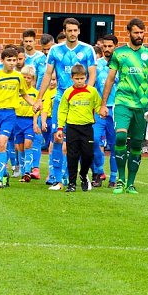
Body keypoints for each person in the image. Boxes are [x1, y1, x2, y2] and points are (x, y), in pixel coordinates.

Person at [98, 18, 148, 195]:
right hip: (122, 102)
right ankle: (120, 179)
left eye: (142, 33)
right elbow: (110, 79)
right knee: (120, 138)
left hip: (142, 105)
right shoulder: (119, 53)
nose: (139, 36)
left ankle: (131, 183)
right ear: (129, 33)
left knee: (136, 143)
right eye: (136, 33)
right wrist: (104, 104)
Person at [35, 18, 97, 187]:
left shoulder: (87, 50)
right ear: (65, 31)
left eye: (75, 30)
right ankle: (56, 178)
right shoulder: (55, 50)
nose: (72, 33)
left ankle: (83, 175)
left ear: (79, 31)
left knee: (81, 143)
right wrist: (39, 97)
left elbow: (92, 74)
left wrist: (86, 95)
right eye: (69, 30)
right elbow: (48, 75)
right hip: (61, 99)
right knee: (57, 138)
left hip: (81, 104)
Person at [0, 47, 35, 188]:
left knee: (3, 143)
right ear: (2, 60)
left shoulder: (18, 77)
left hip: (10, 114)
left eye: (14, 60)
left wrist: (34, 104)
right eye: (9, 60)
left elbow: (24, 94)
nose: (12, 63)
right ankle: (4, 174)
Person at [57, 64, 102, 192]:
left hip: (87, 128)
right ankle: (72, 183)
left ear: (86, 77)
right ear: (72, 78)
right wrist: (60, 128)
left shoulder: (92, 92)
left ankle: (83, 174)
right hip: (72, 128)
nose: (80, 81)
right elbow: (62, 111)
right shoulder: (68, 92)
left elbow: (97, 106)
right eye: (77, 79)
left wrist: (102, 112)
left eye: (82, 78)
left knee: (88, 154)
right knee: (72, 155)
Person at [92, 34, 119, 187]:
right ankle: (98, 171)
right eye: (105, 46)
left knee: (115, 144)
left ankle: (114, 178)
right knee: (94, 140)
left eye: (110, 46)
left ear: (115, 46)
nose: (107, 49)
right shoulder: (97, 65)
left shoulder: (121, 65)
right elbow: (92, 86)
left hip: (116, 109)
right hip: (99, 109)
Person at [13, 65, 41, 181]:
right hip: (17, 121)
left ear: (33, 79)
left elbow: (37, 109)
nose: (26, 80)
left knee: (28, 144)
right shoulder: (17, 91)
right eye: (23, 77)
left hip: (29, 121)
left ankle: (27, 172)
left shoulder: (35, 93)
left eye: (28, 78)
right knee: (20, 147)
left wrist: (35, 123)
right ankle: (23, 168)